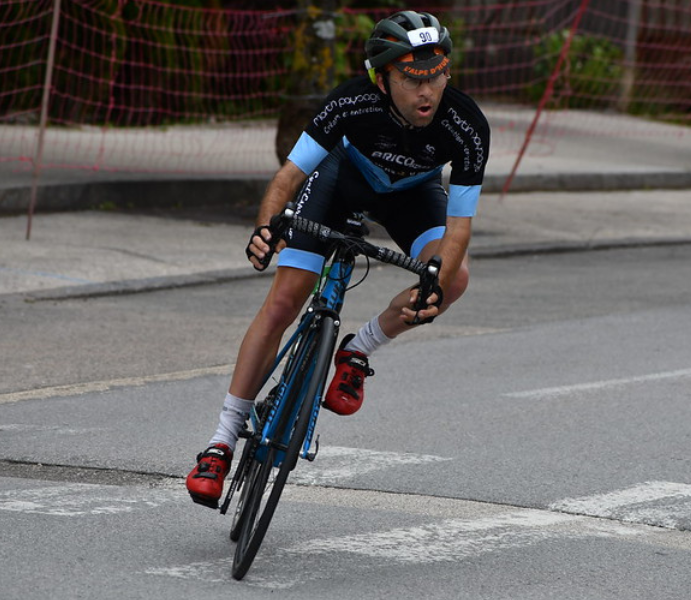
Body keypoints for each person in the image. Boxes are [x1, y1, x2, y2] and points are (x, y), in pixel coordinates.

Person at [186, 10, 490, 509]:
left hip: (411, 196)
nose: (427, 92)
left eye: (437, 75)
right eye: (412, 79)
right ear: (380, 77)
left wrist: (436, 277)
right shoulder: (350, 102)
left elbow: (459, 226)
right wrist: (267, 227)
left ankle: (358, 349)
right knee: (285, 301)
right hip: (339, 184)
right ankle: (220, 442)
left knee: (453, 279)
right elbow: (287, 178)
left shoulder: (466, 124)